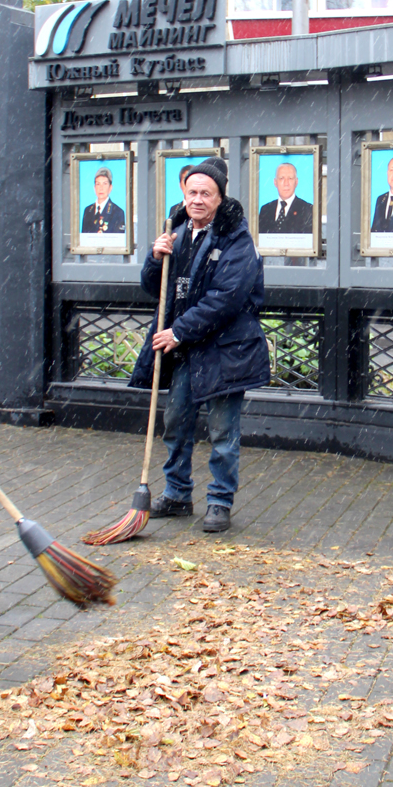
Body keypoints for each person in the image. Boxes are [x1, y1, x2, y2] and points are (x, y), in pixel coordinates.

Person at [129, 157, 269, 534]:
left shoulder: (236, 238)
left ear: (220, 198)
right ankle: (176, 494)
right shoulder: (175, 229)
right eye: (192, 192)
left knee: (223, 430)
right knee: (175, 420)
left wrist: (177, 332)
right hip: (190, 348)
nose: (198, 199)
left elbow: (226, 298)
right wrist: (155, 258)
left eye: (206, 193)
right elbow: (151, 287)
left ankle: (220, 502)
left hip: (227, 348)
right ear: (184, 194)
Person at [257, 162, 313, 236]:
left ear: (296, 182)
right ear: (275, 182)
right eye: (281, 178)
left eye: (290, 178)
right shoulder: (265, 209)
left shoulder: (307, 209)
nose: (286, 183)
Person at [81, 168, 126, 236]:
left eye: (104, 184)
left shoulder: (118, 212)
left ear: (110, 187)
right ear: (94, 188)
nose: (101, 188)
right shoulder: (88, 210)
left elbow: (118, 242)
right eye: (98, 184)